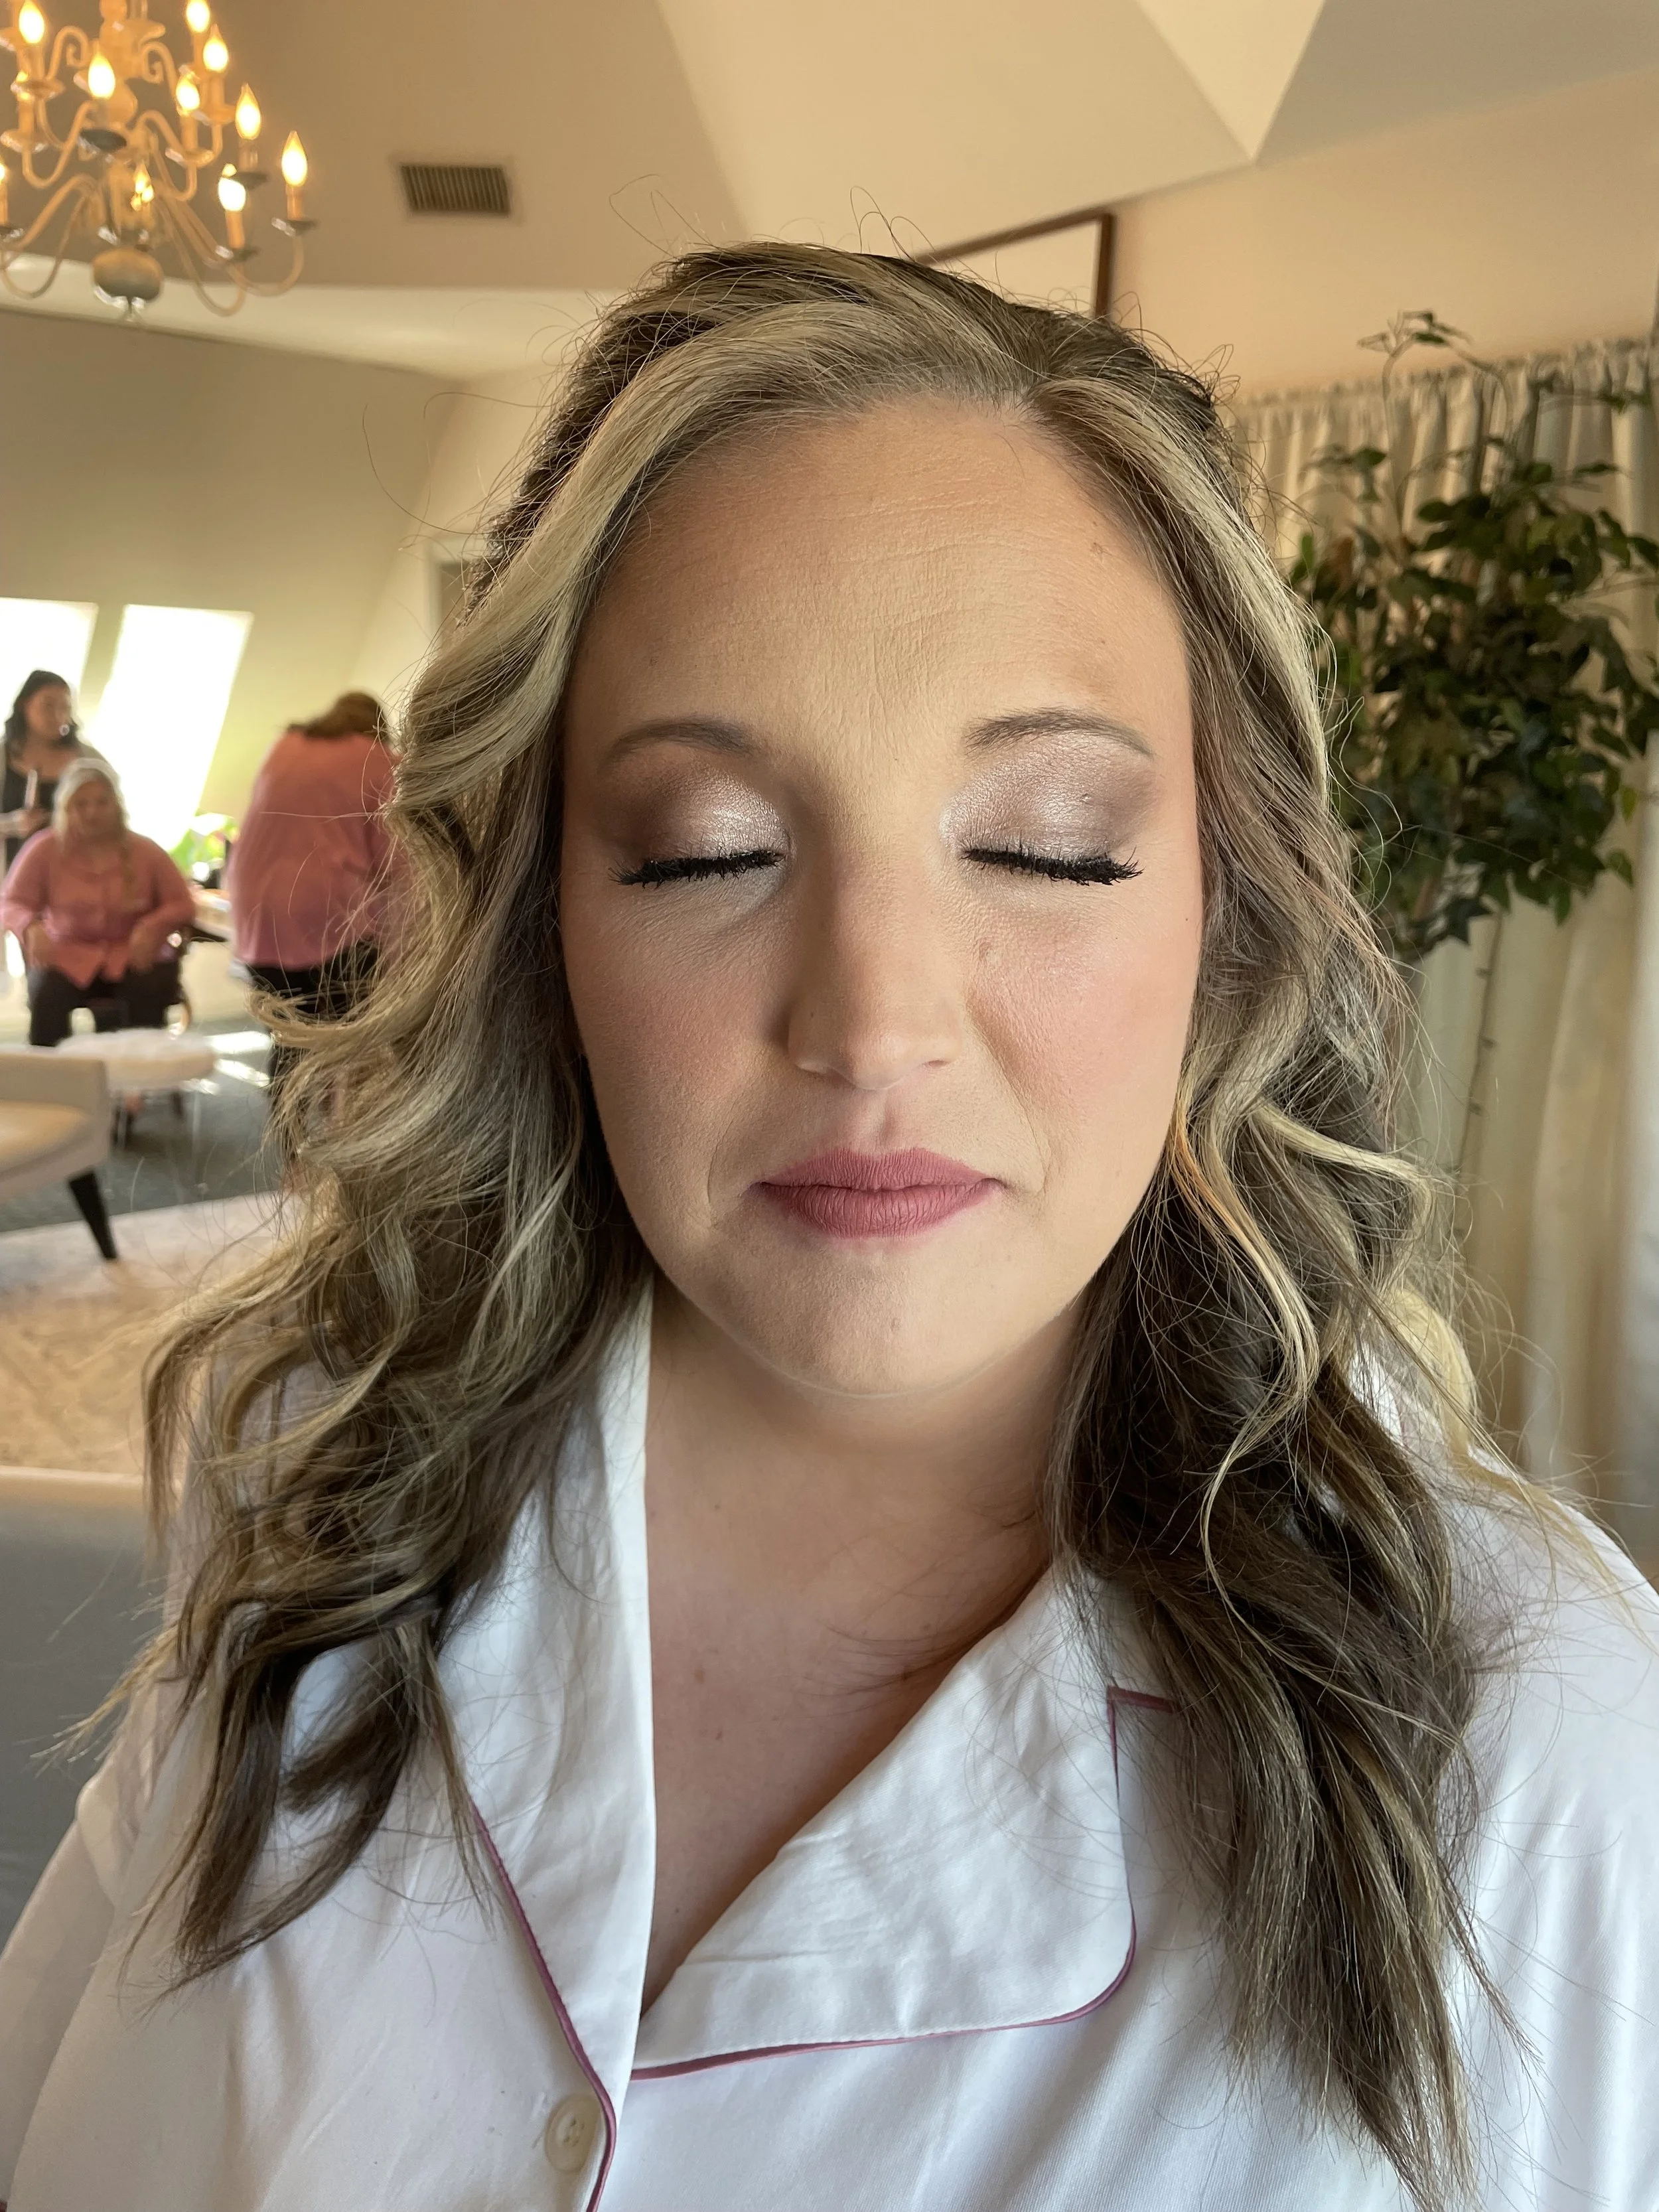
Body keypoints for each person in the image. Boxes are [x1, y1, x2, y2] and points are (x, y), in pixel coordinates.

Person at [1, 248, 1655, 2212]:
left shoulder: (1536, 1740)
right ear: (548, 927)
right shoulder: (317, 1502)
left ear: (1224, 916)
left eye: (1042, 845)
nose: (872, 1020)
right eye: (705, 850)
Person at [224, 690, 394, 1103]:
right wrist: (400, 947)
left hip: (256, 913)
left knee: (289, 1036)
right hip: (327, 915)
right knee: (348, 1039)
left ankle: (289, 1149)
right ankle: (339, 1141)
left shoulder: (283, 747)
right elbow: (395, 862)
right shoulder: (379, 759)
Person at [0, 758, 195, 1047]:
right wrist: (31, 927)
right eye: (82, 804)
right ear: (67, 808)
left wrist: (153, 927)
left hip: (134, 953)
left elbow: (182, 904)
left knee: (150, 986)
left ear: (116, 804)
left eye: (101, 802)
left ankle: (139, 1080)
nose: (92, 813)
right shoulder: (44, 849)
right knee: (46, 993)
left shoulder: (146, 851)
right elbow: (11, 902)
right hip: (68, 953)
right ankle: (51, 1081)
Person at [1, 670, 99, 872]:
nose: (58, 716)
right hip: (8, 878)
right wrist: (11, 824)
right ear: (23, 704)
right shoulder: (3, 756)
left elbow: (114, 816)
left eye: (66, 708)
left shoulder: (89, 760)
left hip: (72, 876)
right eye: (48, 706)